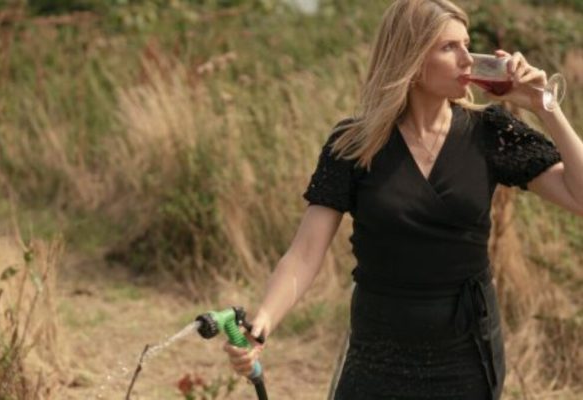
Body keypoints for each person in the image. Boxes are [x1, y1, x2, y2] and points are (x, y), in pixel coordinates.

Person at [222, 0, 583, 398]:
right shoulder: (355, 143)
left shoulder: (490, 131)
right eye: (449, 47)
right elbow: (305, 254)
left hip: (465, 351)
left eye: (467, 44)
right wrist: (263, 323)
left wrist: (546, 106)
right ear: (410, 57)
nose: (468, 59)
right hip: (378, 350)